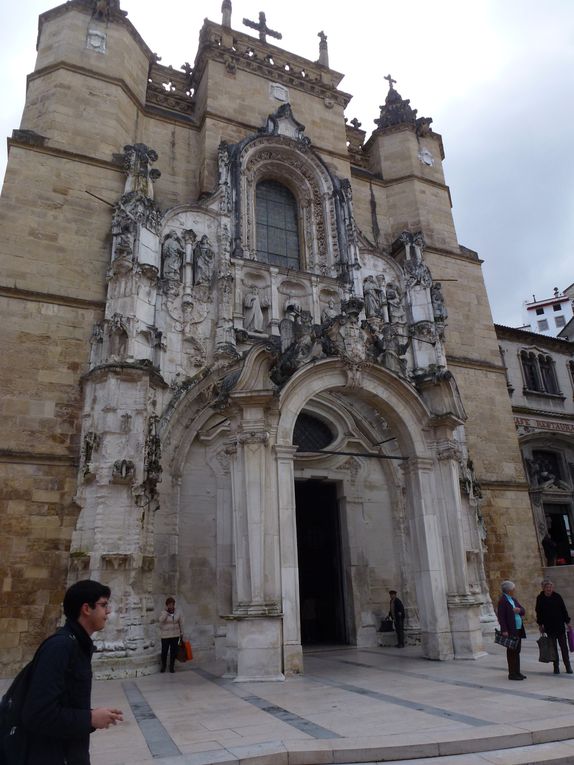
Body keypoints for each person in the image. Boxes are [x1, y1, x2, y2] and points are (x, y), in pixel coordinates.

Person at [20, 579, 123, 764]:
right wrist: (90, 718)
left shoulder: (76, 645)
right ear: (86, 608)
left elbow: (65, 704)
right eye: (103, 605)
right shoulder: (60, 647)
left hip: (70, 753)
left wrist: (90, 716)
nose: (107, 612)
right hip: (53, 756)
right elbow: (37, 714)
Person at [535, 578, 572, 675]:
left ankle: (568, 666)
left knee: (564, 647)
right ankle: (556, 667)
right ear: (543, 588)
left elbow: (563, 610)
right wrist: (540, 624)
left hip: (559, 626)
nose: (549, 588)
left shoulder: (557, 596)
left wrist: (567, 622)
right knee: (553, 648)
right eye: (547, 587)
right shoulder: (540, 598)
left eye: (551, 587)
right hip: (549, 627)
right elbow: (539, 612)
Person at [497, 580, 527, 680]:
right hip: (510, 630)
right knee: (511, 651)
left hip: (518, 628)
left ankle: (517, 672)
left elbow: (522, 610)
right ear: (509, 590)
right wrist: (504, 630)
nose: (514, 590)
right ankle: (512, 673)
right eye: (513, 589)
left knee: (517, 651)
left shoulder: (513, 599)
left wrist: (519, 610)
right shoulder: (503, 601)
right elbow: (501, 617)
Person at [159, 597, 184, 673]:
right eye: (169, 604)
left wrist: (182, 633)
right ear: (167, 605)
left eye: (172, 604)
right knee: (164, 652)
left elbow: (181, 623)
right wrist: (166, 613)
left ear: (174, 604)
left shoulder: (178, 612)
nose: (171, 606)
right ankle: (163, 666)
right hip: (165, 636)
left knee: (173, 652)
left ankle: (172, 667)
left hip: (175, 635)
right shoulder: (163, 612)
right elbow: (161, 620)